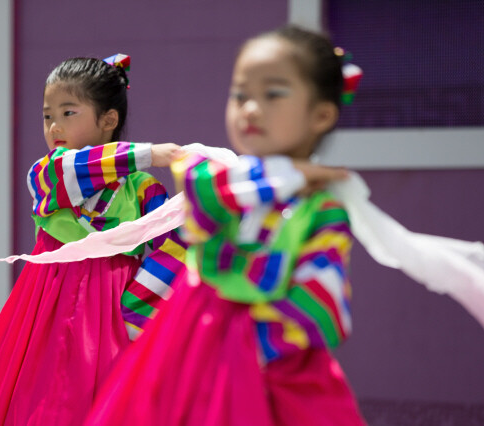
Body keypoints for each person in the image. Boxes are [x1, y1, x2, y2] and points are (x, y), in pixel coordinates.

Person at [85, 27, 368, 425]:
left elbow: (322, 304)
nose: (250, 108)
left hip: (269, 367)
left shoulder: (321, 212)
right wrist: (288, 173)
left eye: (273, 94)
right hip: (188, 349)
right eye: (240, 95)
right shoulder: (223, 183)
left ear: (321, 114)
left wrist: (247, 350)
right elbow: (203, 194)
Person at [0, 54, 186, 425]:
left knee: (97, 405)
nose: (54, 126)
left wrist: (134, 311)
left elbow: (178, 245)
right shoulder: (48, 174)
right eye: (47, 115)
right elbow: (76, 168)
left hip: (109, 311)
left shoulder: (144, 189)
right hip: (42, 308)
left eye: (68, 113)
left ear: (108, 120)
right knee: (33, 401)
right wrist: (149, 153)